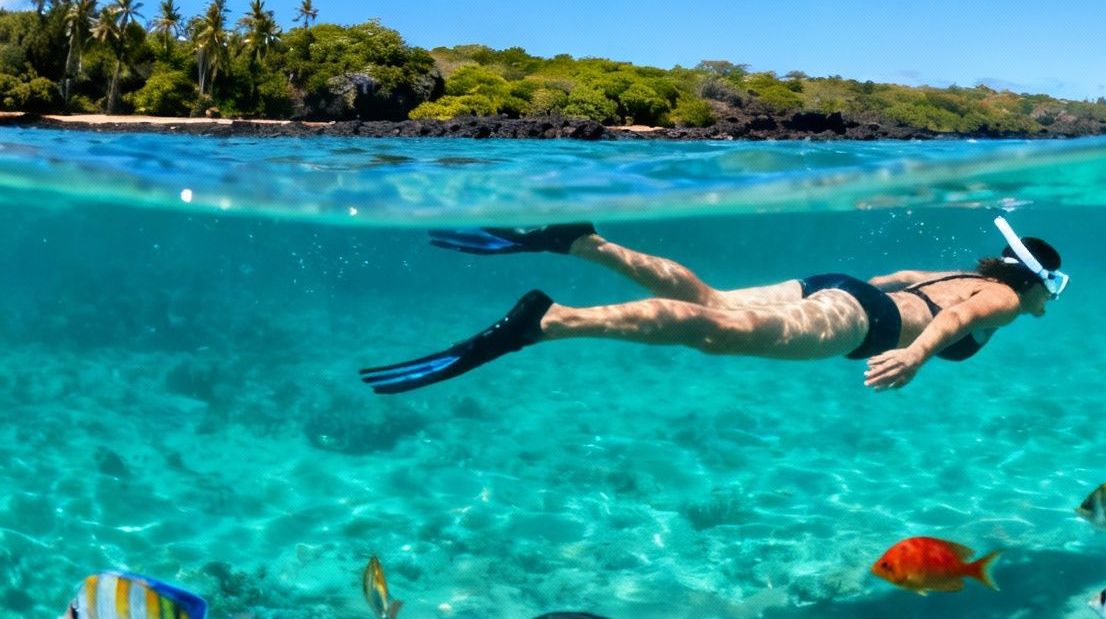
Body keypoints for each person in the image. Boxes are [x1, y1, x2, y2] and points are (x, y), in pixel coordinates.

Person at [360, 216, 1065, 395]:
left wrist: (847, 296)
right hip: (865, 321)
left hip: (841, 288)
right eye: (1051, 291)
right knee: (717, 332)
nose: (1045, 303)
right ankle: (548, 322)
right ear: (1033, 280)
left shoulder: (957, 271)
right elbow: (956, 321)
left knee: (709, 302)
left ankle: (582, 243)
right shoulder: (1002, 299)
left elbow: (903, 276)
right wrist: (911, 350)